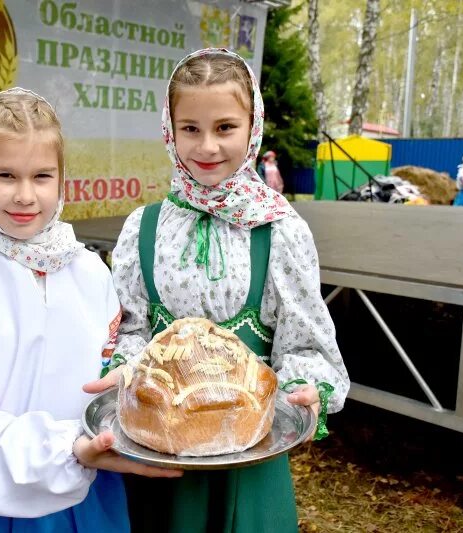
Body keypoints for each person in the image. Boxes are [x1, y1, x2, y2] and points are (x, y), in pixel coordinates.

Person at [85, 49, 349, 533]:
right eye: (190, 128)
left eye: (225, 127)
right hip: (154, 452)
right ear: (169, 129)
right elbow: (130, 328)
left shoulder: (280, 231)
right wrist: (123, 364)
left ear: (253, 127)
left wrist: (305, 388)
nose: (206, 146)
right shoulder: (143, 228)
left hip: (247, 455)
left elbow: (304, 342)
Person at [0, 87, 180, 532]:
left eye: (42, 176)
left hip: (90, 495)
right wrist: (66, 450)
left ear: (62, 178)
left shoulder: (89, 270)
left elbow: (109, 377)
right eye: (5, 175)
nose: (25, 196)